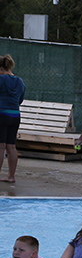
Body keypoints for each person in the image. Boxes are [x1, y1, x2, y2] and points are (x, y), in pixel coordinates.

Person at [0, 54, 25, 184]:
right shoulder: (19, 81)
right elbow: (20, 99)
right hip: (15, 115)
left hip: (2, 114)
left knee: (0, 147)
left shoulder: (1, 79)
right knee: (11, 146)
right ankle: (11, 176)